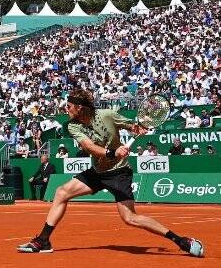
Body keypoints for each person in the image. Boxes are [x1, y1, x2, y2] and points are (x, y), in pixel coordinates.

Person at [17, 88, 203, 257]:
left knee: (130, 218)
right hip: (98, 171)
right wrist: (112, 152)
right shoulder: (73, 125)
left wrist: (139, 129)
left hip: (119, 172)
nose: (67, 109)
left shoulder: (107, 115)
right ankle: (43, 240)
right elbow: (88, 146)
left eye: (69, 106)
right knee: (62, 192)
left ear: (80, 108)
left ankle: (180, 240)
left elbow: (133, 127)